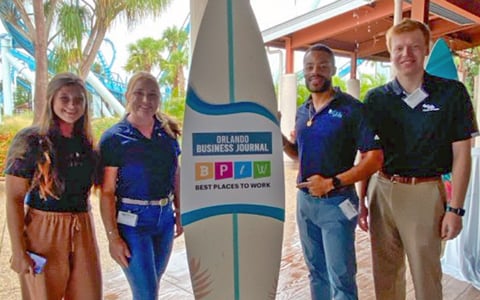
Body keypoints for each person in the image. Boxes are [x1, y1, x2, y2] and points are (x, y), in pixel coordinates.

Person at [360, 18, 479, 300]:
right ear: (390, 53)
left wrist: (456, 209)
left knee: (426, 278)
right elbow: (367, 153)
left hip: (425, 193)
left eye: (414, 46)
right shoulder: (376, 98)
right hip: (382, 190)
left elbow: (462, 155)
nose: (406, 54)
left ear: (426, 49)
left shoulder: (452, 93)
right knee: (385, 277)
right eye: (399, 48)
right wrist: (362, 200)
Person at [282, 43, 383, 300]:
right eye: (309, 66)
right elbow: (299, 153)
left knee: (341, 277)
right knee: (316, 272)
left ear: (333, 70)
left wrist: (332, 182)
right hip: (305, 204)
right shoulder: (303, 110)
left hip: (337, 203)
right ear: (304, 72)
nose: (315, 71)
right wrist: (280, 138)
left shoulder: (352, 108)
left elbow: (374, 158)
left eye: (323, 66)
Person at [4, 72, 102, 299]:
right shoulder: (30, 140)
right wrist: (18, 250)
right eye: (65, 98)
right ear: (51, 100)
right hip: (43, 229)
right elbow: (14, 198)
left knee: (89, 294)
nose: (72, 105)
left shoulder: (86, 143)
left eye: (79, 100)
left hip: (82, 226)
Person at [99, 71, 183, 300]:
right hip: (132, 223)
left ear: (159, 99)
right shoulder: (114, 139)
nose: (146, 100)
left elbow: (176, 172)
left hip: (164, 219)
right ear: (127, 95)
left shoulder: (167, 133)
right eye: (139, 93)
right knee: (146, 292)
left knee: (152, 286)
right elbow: (107, 192)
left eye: (152, 95)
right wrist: (112, 238)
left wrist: (179, 210)